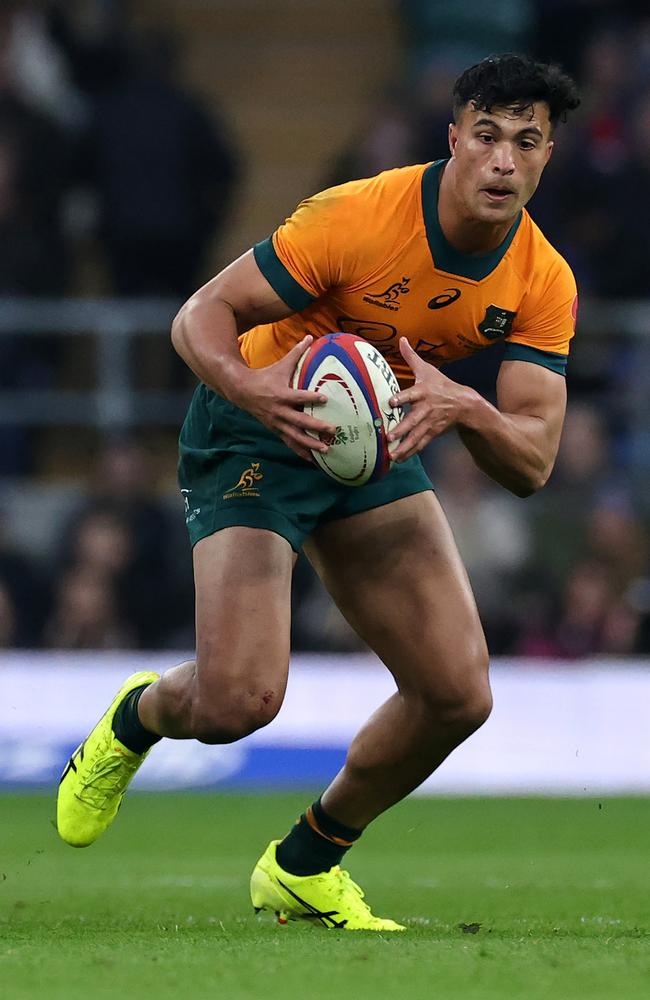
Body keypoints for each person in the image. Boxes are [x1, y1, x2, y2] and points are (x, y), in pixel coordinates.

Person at [57, 54, 580, 931]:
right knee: (237, 705)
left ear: (547, 157)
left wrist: (465, 408)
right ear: (452, 141)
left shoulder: (543, 280)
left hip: (374, 442)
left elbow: (532, 462)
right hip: (255, 426)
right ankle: (137, 717)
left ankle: (305, 865)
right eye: (486, 137)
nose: (502, 162)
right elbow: (198, 317)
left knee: (459, 693)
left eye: (525, 143)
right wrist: (252, 388)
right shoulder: (358, 216)